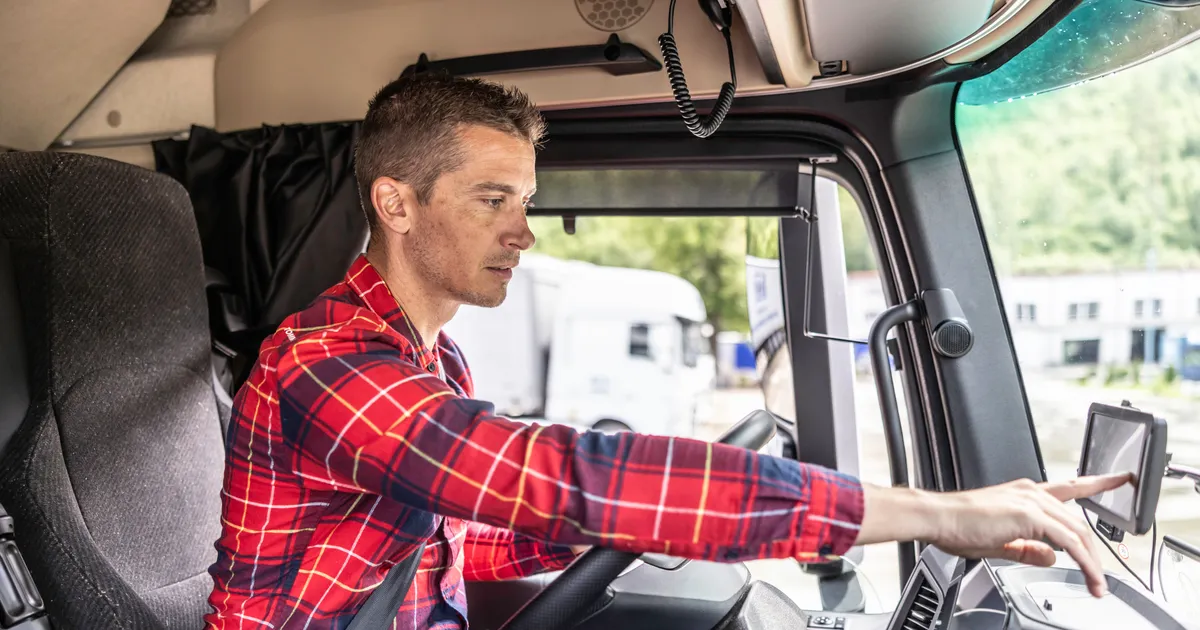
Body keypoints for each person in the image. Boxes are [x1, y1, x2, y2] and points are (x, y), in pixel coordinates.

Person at [204, 73, 1129, 629]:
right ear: (396, 204)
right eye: (494, 200)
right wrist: (932, 514)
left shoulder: (427, 360)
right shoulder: (324, 363)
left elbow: (454, 542)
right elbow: (552, 476)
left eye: (526, 203)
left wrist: (634, 520)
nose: (524, 235)